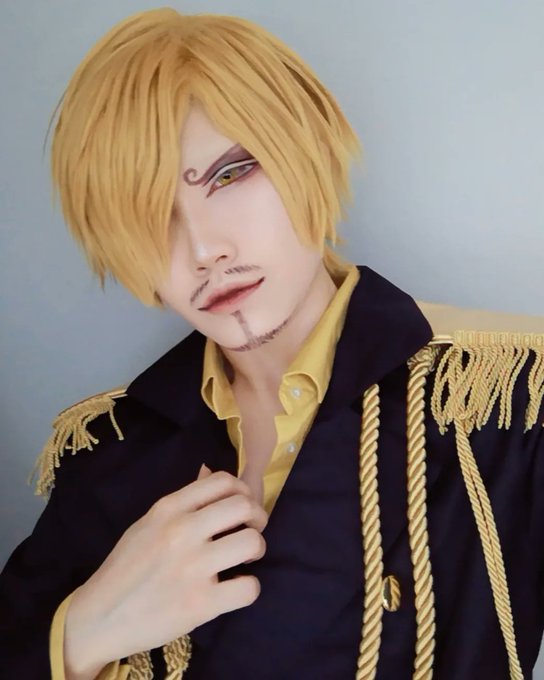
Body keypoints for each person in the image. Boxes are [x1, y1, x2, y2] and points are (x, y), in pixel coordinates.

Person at [1, 7, 543, 680]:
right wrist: (86, 630)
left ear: (305, 152)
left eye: (230, 175)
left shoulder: (503, 396)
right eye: (150, 216)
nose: (204, 250)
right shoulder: (106, 451)